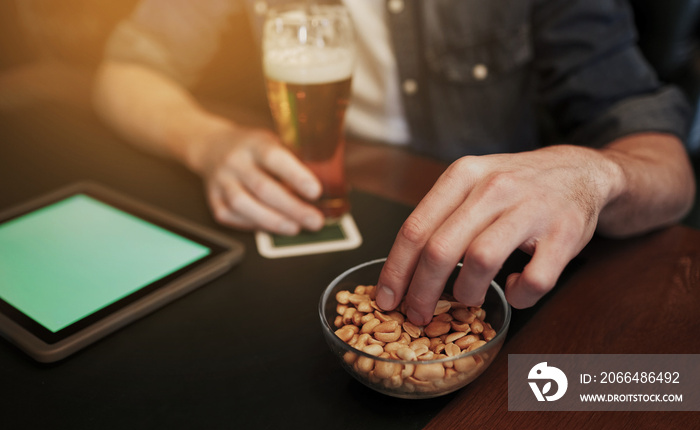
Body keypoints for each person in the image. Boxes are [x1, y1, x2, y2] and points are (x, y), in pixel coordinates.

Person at [93, 0, 696, 326]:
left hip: (498, 257)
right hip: (317, 226)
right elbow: (125, 69)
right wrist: (208, 142)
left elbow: (667, 166)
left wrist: (593, 174)